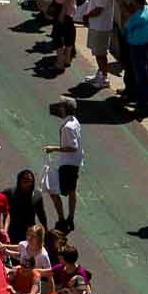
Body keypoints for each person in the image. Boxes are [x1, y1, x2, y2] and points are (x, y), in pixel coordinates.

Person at [44, 97, 84, 231]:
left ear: (64, 109)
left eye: (61, 106)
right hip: (74, 163)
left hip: (67, 164)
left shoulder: (67, 127)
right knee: (72, 191)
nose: (59, 108)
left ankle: (62, 219)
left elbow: (73, 146)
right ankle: (70, 219)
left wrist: (53, 148)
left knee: (53, 190)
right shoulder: (75, 122)